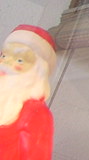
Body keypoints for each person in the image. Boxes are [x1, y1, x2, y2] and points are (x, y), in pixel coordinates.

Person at [0, 25, 57, 160]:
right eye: (4, 55)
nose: (5, 64)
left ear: (38, 69)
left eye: (19, 60)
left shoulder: (36, 114)